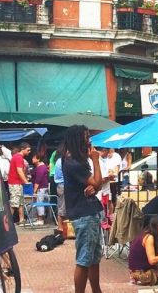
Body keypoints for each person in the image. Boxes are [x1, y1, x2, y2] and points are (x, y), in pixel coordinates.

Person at [61, 125, 104, 293]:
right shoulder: (74, 162)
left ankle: (96, 290)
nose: (89, 141)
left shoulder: (74, 160)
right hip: (84, 214)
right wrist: (95, 160)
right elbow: (97, 182)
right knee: (84, 259)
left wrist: (95, 186)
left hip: (88, 212)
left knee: (93, 258)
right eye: (86, 137)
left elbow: (95, 185)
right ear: (78, 139)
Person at [7, 141, 31, 224]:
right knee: (14, 202)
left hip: (17, 183)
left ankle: (21, 219)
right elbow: (19, 171)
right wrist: (26, 182)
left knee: (20, 202)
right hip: (15, 183)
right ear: (22, 149)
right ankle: (7, 222)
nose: (29, 152)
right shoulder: (18, 157)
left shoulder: (17, 157)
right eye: (28, 150)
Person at [32, 152, 50, 225]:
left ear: (38, 159)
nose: (32, 159)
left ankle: (40, 219)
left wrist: (34, 190)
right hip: (43, 187)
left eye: (34, 158)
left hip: (41, 187)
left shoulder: (41, 167)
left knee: (40, 203)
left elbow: (38, 180)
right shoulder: (40, 167)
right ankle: (40, 218)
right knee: (41, 202)